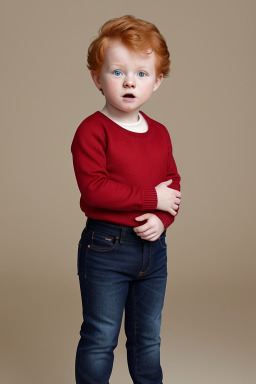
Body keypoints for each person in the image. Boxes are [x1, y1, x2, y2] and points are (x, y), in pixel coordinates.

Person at [71, 14, 181, 384]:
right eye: (117, 72)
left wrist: (162, 220)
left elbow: (173, 187)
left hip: (153, 250)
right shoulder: (92, 130)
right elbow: (95, 189)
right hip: (106, 248)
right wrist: (152, 199)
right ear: (97, 78)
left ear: (157, 81)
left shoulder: (161, 133)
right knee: (101, 337)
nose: (130, 82)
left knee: (147, 340)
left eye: (141, 73)